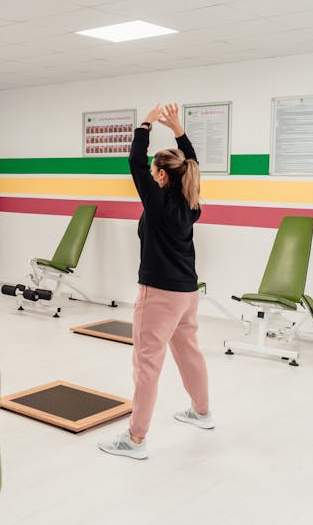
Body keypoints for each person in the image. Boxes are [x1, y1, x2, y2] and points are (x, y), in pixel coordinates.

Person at [98, 103, 212, 460]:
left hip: (159, 295)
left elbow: (134, 161)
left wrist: (146, 124)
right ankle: (202, 412)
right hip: (187, 293)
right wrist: (178, 130)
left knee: (146, 367)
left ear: (162, 176)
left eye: (154, 171)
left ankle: (135, 440)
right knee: (189, 353)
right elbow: (190, 163)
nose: (148, 173)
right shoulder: (189, 200)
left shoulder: (160, 202)